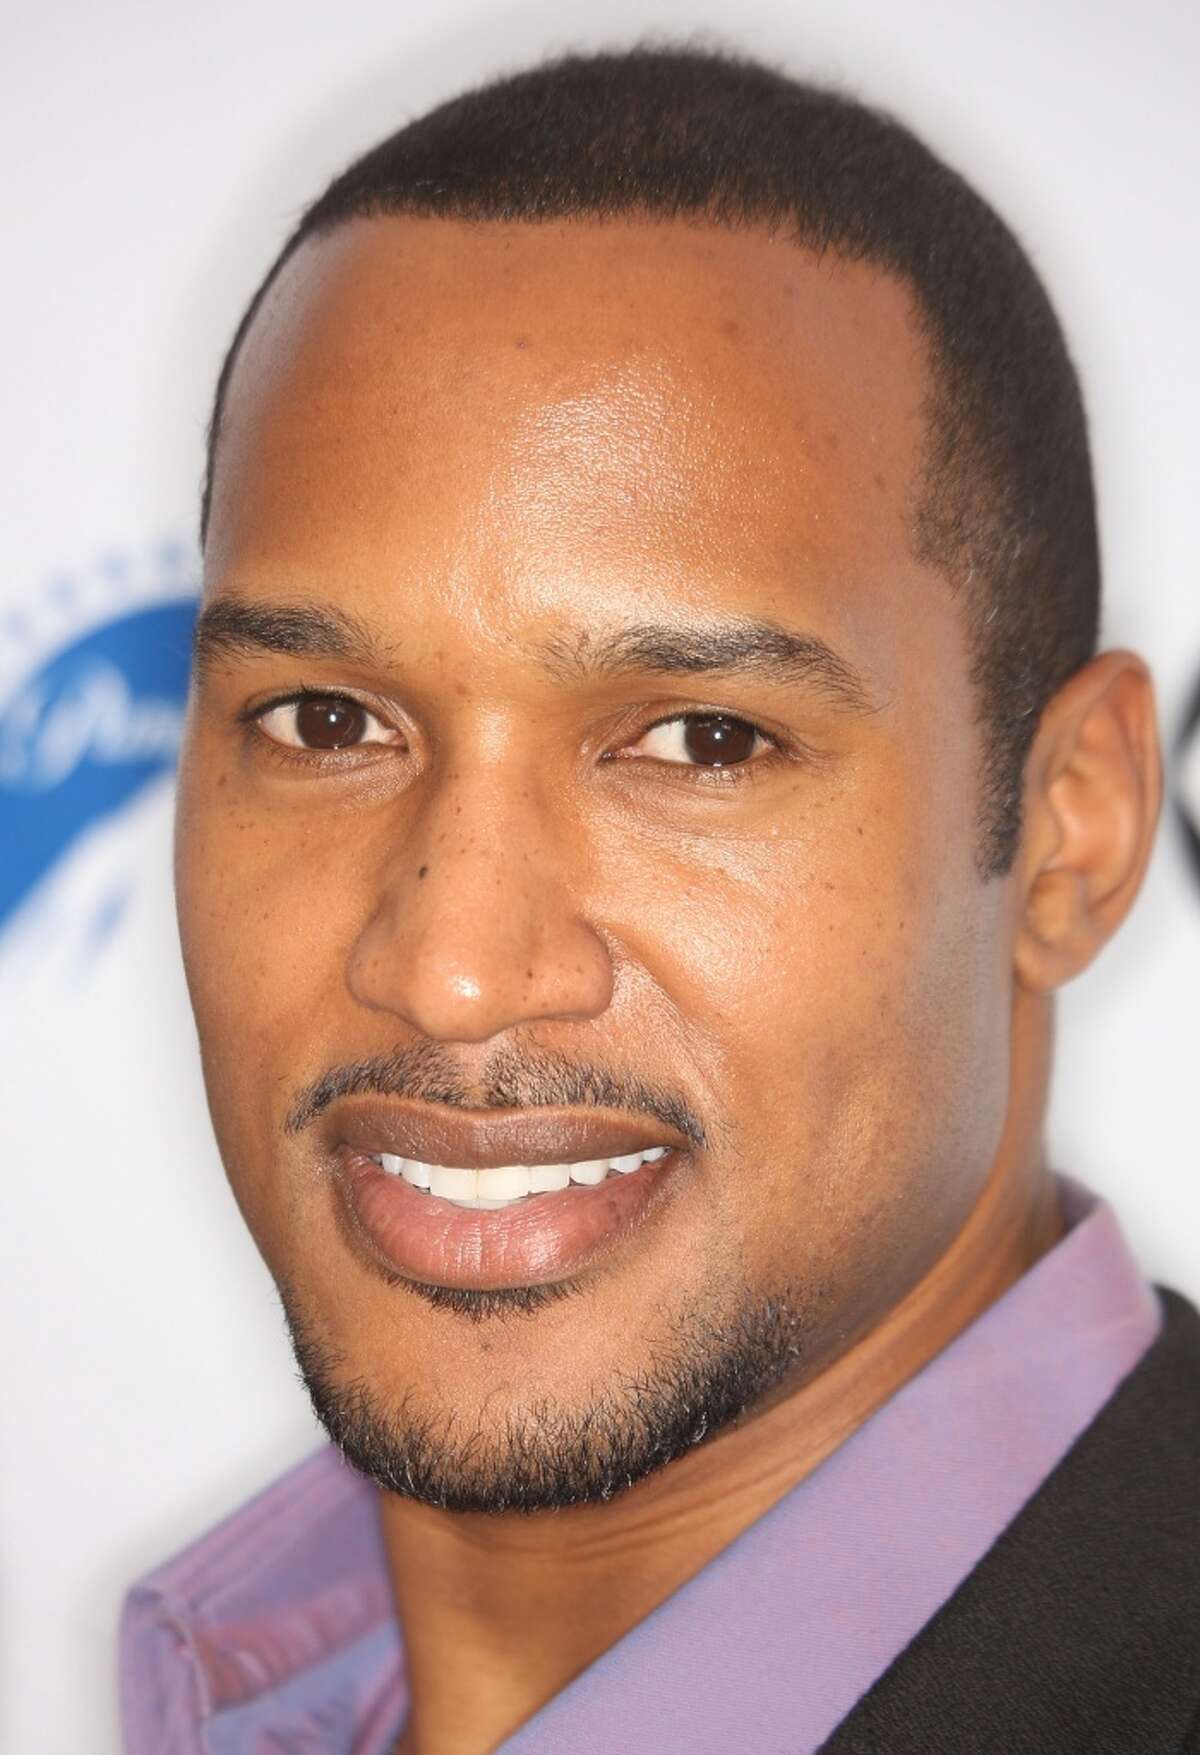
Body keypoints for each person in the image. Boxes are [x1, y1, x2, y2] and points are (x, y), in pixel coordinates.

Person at [119, 44, 1200, 1755]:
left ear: (1072, 831)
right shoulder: (244, 1688)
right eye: (325, 722)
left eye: (702, 741)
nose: (453, 969)